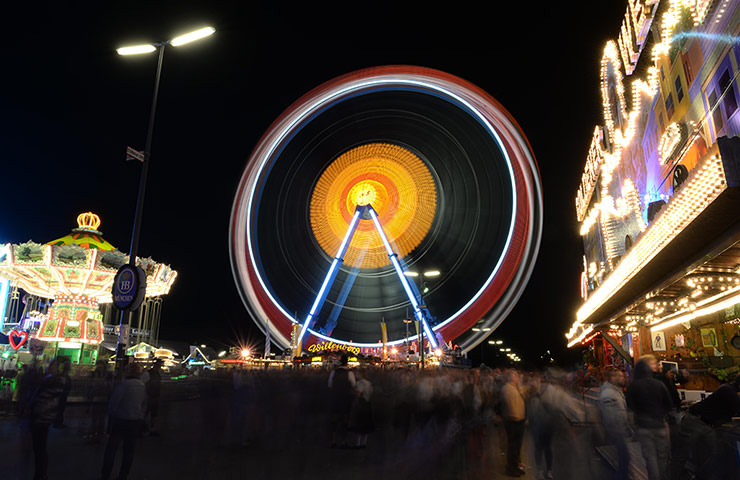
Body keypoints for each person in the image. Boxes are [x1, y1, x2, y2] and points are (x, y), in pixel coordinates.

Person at [674, 373, 740, 478]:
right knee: (683, 454)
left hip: (705, 423)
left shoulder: (728, 389)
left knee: (714, 454)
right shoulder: (730, 392)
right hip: (696, 422)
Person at [626, 355, 672, 480]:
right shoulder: (659, 384)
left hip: (643, 427)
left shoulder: (632, 386)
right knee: (662, 456)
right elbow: (669, 405)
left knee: (650, 458)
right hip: (660, 425)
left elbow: (630, 408)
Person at [100, 362, 147, 480]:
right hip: (134, 421)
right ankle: (123, 475)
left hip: (120, 420)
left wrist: (111, 416)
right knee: (129, 451)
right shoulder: (142, 385)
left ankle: (106, 474)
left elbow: (114, 403)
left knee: (111, 449)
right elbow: (143, 404)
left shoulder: (124, 385)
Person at [29, 358, 65, 480]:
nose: (49, 367)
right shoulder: (55, 381)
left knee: (39, 448)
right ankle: (41, 473)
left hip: (41, 417)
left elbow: (39, 397)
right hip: (46, 417)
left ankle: (40, 474)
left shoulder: (51, 381)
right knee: (40, 447)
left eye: (52, 366)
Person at [599, 368, 631, 480]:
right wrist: (620, 430)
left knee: (623, 459)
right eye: (620, 376)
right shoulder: (609, 394)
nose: (623, 378)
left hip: (618, 431)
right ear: (612, 378)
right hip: (617, 432)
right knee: (624, 459)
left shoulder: (616, 391)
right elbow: (611, 415)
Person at [501, 369, 526, 477]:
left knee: (516, 448)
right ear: (511, 378)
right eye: (516, 376)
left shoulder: (514, 388)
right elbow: (511, 405)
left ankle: (515, 467)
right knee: (513, 448)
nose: (518, 378)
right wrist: (516, 416)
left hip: (518, 421)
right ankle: (511, 469)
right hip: (513, 422)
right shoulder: (507, 389)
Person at [328, 353, 355, 448]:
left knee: (334, 421)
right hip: (345, 399)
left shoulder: (334, 372)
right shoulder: (349, 373)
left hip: (335, 398)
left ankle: (333, 441)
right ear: (347, 362)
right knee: (345, 420)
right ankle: (343, 441)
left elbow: (330, 385)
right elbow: (353, 385)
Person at [347, 368, 374, 448]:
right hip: (368, 404)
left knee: (360, 425)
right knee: (366, 426)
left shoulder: (360, 383)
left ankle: (358, 444)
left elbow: (358, 394)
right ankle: (364, 443)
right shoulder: (369, 383)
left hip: (361, 405)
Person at [144, 359, 163, 436]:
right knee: (147, 413)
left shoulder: (156, 373)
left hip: (154, 396)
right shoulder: (149, 373)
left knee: (153, 414)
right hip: (150, 396)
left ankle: (151, 429)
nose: (160, 366)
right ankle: (144, 428)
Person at [53, 360, 72, 428]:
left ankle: (58, 422)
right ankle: (58, 423)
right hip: (62, 395)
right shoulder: (64, 376)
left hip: (61, 395)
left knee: (60, 409)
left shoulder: (62, 375)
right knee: (60, 409)